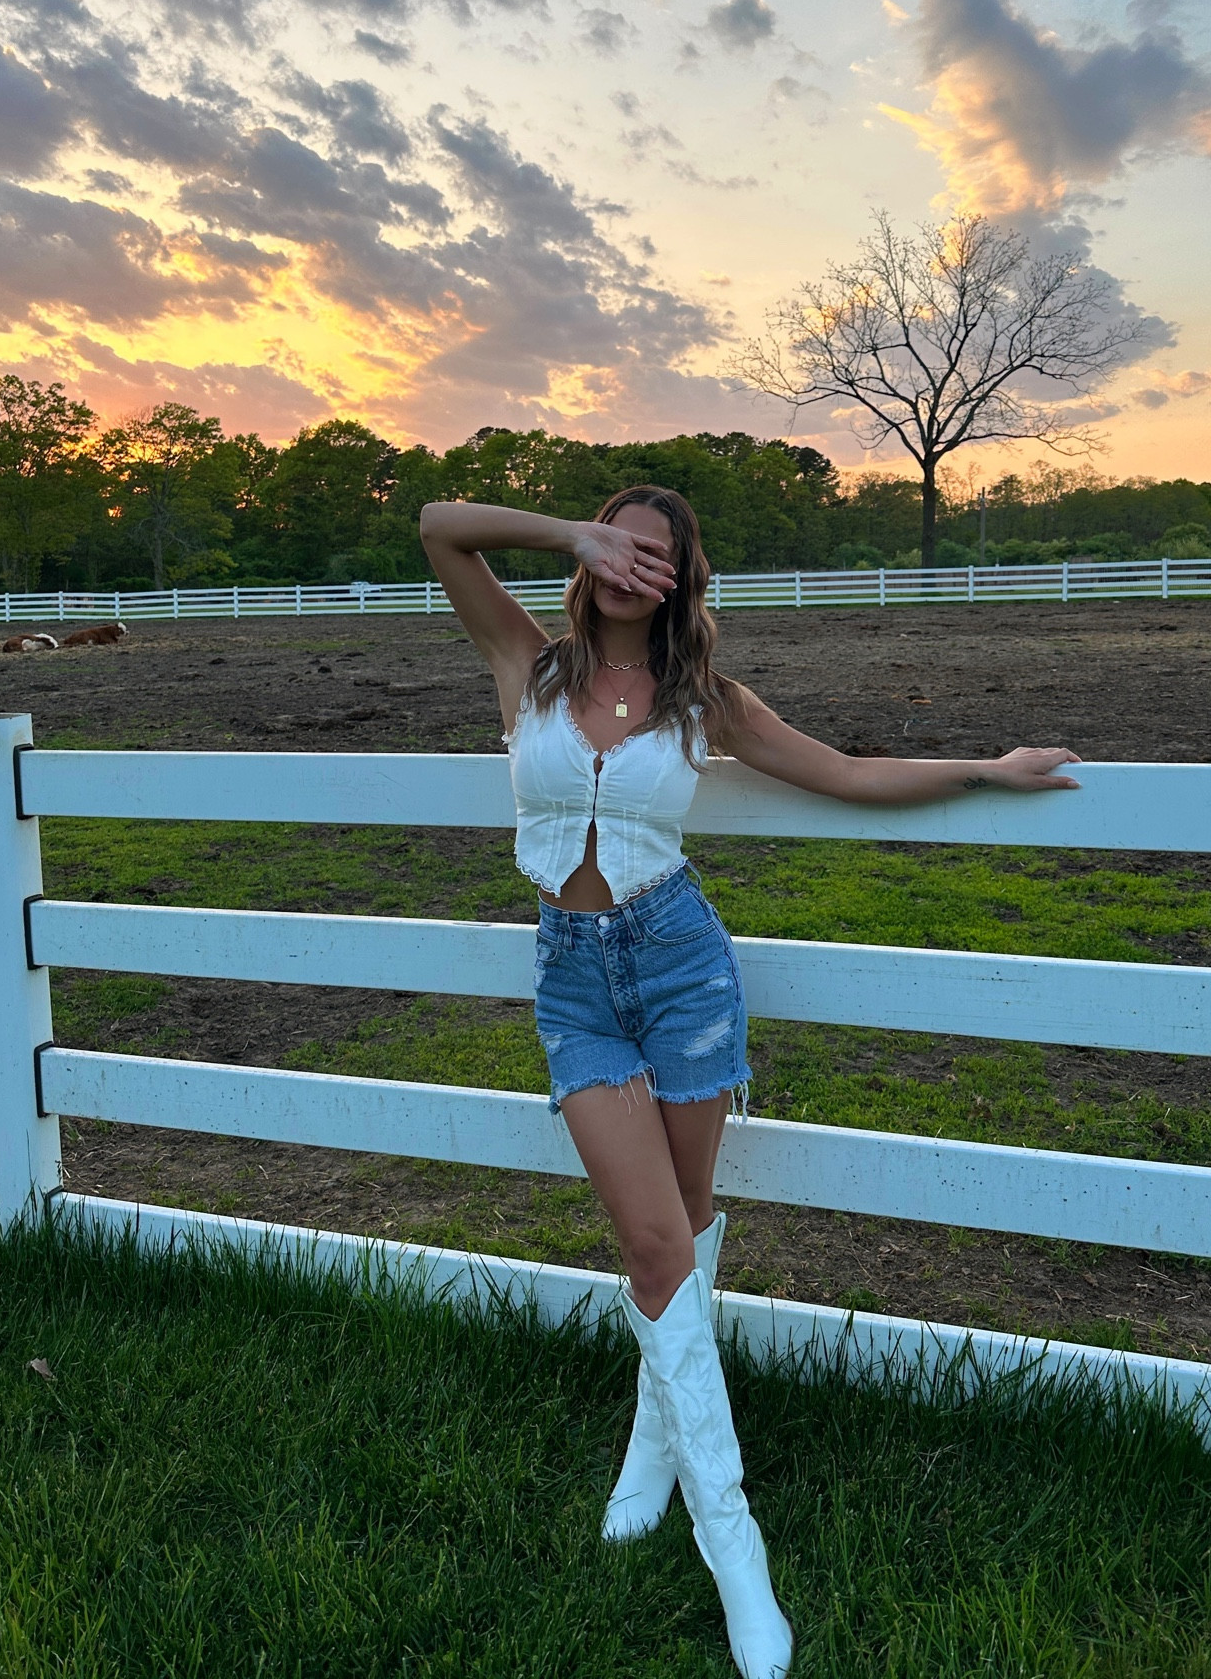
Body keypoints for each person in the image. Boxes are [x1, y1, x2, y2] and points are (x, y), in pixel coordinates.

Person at [420, 486, 1080, 1679]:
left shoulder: (702, 700)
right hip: (573, 981)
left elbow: (844, 772)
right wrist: (568, 531)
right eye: (618, 541)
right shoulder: (527, 660)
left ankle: (648, 1460)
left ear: (683, 581)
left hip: (683, 967)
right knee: (655, 1244)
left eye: (657, 554)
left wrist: (988, 767)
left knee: (680, 1232)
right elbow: (436, 525)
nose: (632, 565)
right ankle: (738, 1550)